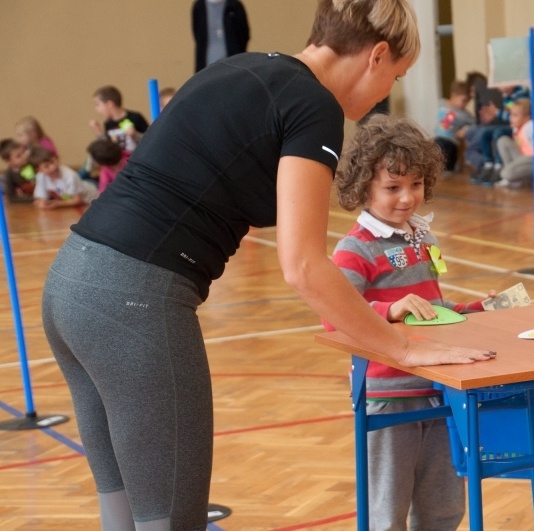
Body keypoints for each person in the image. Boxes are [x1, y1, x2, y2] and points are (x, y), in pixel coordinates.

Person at [40, 2, 496, 529]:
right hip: (132, 302)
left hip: (71, 286)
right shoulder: (313, 105)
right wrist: (404, 348)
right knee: (169, 518)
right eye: (395, 76)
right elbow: (302, 265)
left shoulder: (244, 68)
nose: (386, 91)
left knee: (124, 512)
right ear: (376, 56)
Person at [326, 114, 494, 530]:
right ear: (363, 186)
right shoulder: (354, 249)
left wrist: (475, 308)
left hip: (439, 390)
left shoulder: (423, 238)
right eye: (392, 187)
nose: (407, 198)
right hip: (389, 395)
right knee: (387, 512)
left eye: (416, 184)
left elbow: (431, 308)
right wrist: (390, 310)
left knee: (444, 506)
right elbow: (335, 318)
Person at [469, 84, 530, 186]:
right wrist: (494, 115)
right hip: (512, 125)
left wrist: (497, 112)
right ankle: (488, 164)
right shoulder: (506, 96)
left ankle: (498, 165)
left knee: (499, 132)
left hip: (521, 126)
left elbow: (517, 116)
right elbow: (510, 116)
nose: (500, 89)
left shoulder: (521, 93)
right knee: (485, 132)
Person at [495, 98, 534, 189]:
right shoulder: (516, 128)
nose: (511, 118)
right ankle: (514, 178)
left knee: (505, 173)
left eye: (515, 115)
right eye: (511, 115)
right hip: (523, 158)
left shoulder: (531, 126)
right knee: (502, 141)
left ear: (526, 117)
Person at [29, 146, 98, 210]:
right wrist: (41, 202)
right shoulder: (40, 176)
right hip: (76, 198)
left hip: (91, 197)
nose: (53, 167)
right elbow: (41, 197)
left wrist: (58, 204)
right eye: (46, 166)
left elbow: (77, 200)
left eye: (52, 162)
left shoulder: (70, 176)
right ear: (39, 170)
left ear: (56, 159)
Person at [89, 85, 150, 154]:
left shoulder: (135, 117)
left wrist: (135, 134)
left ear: (110, 104)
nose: (96, 109)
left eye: (97, 105)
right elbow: (108, 149)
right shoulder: (108, 124)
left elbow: (150, 140)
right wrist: (99, 134)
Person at [192, 0, 250, 73]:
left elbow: (244, 34)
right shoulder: (199, 7)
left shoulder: (235, 6)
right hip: (205, 68)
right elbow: (197, 35)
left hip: (234, 66)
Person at [434, 79, 474, 173]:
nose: (465, 104)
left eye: (467, 102)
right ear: (453, 96)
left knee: (448, 162)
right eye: (464, 100)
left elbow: (474, 124)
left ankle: (449, 171)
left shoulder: (465, 114)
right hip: (439, 139)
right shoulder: (441, 103)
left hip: (452, 142)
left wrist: (464, 130)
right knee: (437, 148)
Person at [1, 138, 36, 202]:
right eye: (18, 156)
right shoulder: (9, 175)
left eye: (23, 152)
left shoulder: (30, 165)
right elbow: (11, 198)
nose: (23, 157)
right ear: (8, 161)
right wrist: (34, 198)